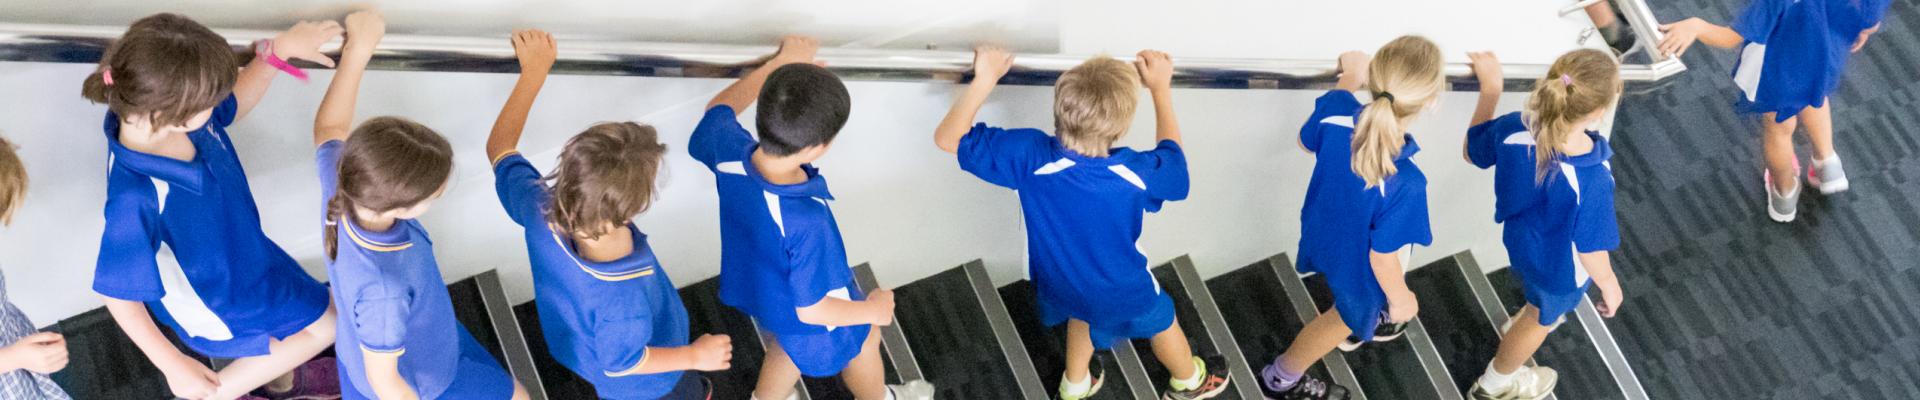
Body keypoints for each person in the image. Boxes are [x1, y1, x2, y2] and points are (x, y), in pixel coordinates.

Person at [82, 13, 343, 400]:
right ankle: (213, 395)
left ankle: (280, 384)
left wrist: (277, 55)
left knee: (291, 330)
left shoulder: (156, 111)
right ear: (177, 115)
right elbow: (118, 293)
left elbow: (233, 103)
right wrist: (172, 364)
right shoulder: (136, 195)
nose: (219, 101)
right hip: (224, 297)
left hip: (248, 256)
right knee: (327, 325)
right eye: (210, 100)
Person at [487, 29, 730, 400]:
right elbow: (623, 362)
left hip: (580, 346)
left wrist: (533, 73)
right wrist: (695, 355)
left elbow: (500, 147)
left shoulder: (540, 208)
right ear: (631, 208)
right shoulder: (621, 298)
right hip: (652, 387)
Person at [688, 36, 931, 400]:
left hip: (762, 288)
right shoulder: (806, 221)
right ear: (820, 147)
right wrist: (873, 311)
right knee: (867, 337)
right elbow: (814, 309)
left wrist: (778, 64)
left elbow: (717, 110)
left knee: (787, 343)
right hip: (815, 320)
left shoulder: (730, 153)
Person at [312, 11, 528, 400]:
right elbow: (386, 382)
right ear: (404, 206)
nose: (442, 190)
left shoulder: (344, 182)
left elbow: (329, 129)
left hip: (423, 333)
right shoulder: (384, 290)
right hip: (425, 380)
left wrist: (359, 50)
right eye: (435, 190)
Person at [1258, 36, 1445, 400]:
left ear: (1374, 78)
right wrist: (1402, 298)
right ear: (1432, 102)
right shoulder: (1407, 183)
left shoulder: (1335, 109)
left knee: (1352, 297)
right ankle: (1280, 379)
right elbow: (1382, 257)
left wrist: (1348, 80)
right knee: (1344, 316)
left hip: (1323, 231)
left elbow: (1304, 140)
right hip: (1363, 265)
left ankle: (1362, 317)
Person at [1657, 0, 1891, 222]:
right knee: (1815, 98)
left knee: (1779, 128)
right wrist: (1866, 28)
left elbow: (1730, 38)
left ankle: (1784, 196)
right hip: (1826, 53)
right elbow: (1871, 15)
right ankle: (1827, 163)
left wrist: (1696, 26)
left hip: (1779, 68)